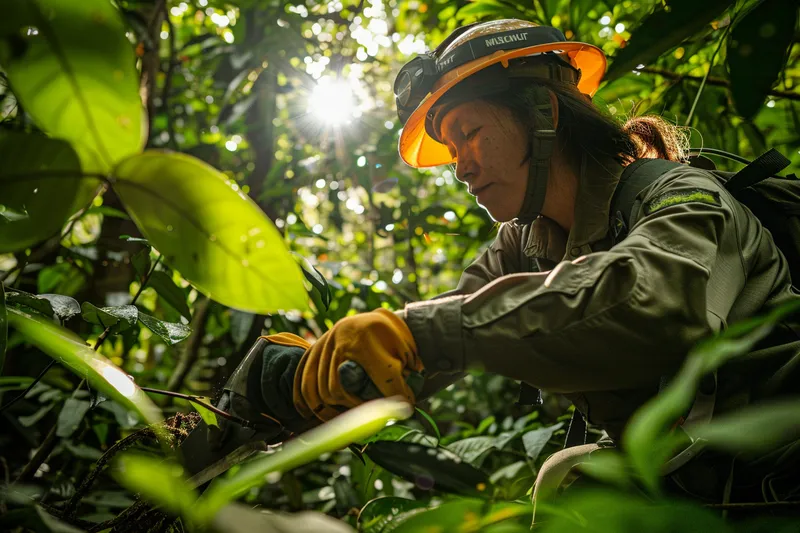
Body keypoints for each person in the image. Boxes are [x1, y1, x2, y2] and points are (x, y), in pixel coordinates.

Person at [201, 19, 800, 508]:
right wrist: (309, 373)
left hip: (773, 491)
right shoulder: (526, 241)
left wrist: (421, 332)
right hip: (685, 493)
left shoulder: (680, 197)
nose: (459, 167)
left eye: (468, 133)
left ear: (544, 112)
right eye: (451, 146)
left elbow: (655, 304)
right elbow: (424, 340)